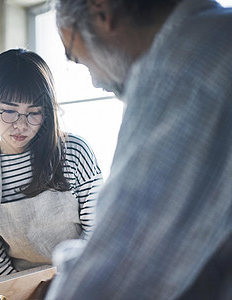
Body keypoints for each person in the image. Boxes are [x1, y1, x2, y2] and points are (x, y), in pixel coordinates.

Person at [45, 0, 232, 299]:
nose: (96, 81)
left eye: (75, 56)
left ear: (102, 11)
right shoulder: (219, 30)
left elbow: (114, 274)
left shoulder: (178, 70)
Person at [0, 49, 103, 277]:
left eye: (34, 113)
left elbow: (97, 235)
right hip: (19, 290)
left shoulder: (74, 152)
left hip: (80, 281)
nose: (21, 125)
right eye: (9, 111)